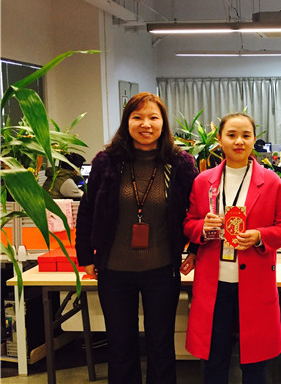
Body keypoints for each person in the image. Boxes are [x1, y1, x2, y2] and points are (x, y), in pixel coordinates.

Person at [75, 93, 198, 384]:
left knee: (161, 345)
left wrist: (194, 249)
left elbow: (197, 211)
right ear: (126, 122)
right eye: (137, 117)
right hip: (114, 270)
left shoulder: (180, 163)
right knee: (120, 346)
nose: (146, 124)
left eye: (153, 117)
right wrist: (86, 256)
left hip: (162, 269)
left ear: (163, 123)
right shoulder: (107, 162)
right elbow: (88, 209)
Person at [184, 112, 281, 383]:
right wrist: (203, 227)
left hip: (255, 283)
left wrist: (259, 236)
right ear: (219, 139)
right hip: (214, 284)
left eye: (246, 135)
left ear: (254, 139)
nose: (239, 141)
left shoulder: (271, 181)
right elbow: (188, 223)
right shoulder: (203, 181)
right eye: (231, 135)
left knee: (255, 365)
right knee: (214, 362)